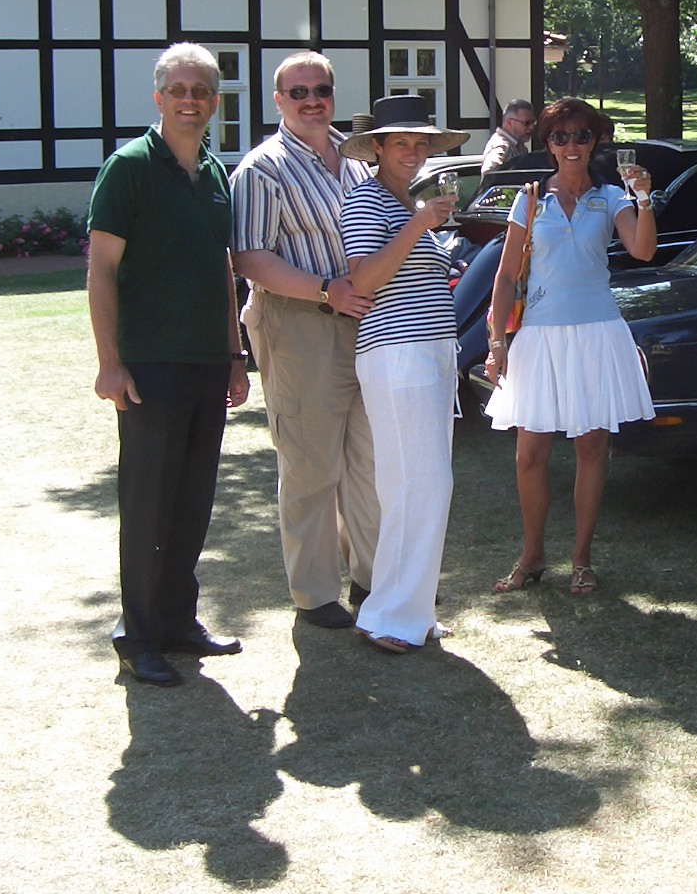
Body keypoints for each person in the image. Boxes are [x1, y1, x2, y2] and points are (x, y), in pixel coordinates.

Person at [87, 42, 250, 687]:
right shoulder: (128, 167)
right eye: (178, 90)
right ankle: (138, 636)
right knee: (148, 503)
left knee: (193, 500)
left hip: (208, 364)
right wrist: (110, 363)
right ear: (159, 97)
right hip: (149, 367)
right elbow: (102, 271)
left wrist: (235, 356)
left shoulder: (214, 172)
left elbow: (223, 271)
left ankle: (179, 622)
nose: (190, 100)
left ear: (214, 101)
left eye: (200, 90)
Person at [230, 53, 382, 631]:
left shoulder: (359, 157)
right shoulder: (262, 169)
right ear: (279, 101)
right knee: (311, 464)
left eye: (321, 89)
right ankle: (314, 594)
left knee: (369, 461)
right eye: (298, 93)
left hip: (368, 323)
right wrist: (325, 290)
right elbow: (249, 258)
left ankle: (372, 579)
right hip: (300, 324)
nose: (312, 100)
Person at [482, 98, 658, 595]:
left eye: (582, 135)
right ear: (549, 144)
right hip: (539, 335)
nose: (572, 145)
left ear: (595, 140)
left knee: (592, 447)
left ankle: (581, 558)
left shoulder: (612, 197)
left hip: (597, 331)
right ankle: (532, 555)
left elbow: (643, 249)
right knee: (529, 453)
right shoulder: (530, 199)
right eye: (561, 137)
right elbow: (505, 276)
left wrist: (644, 199)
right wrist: (497, 343)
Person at [339, 94, 465, 653]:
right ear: (377, 148)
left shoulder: (405, 202)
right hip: (398, 353)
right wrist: (419, 225)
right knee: (420, 484)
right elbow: (363, 280)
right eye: (400, 144)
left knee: (415, 485)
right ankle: (391, 616)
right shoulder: (368, 200)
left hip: (427, 353)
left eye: (420, 144)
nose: (412, 152)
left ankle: (407, 610)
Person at [481, 99, 537, 174]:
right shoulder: (501, 145)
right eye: (527, 123)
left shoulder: (519, 146)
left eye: (533, 122)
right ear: (510, 122)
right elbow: (488, 173)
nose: (531, 127)